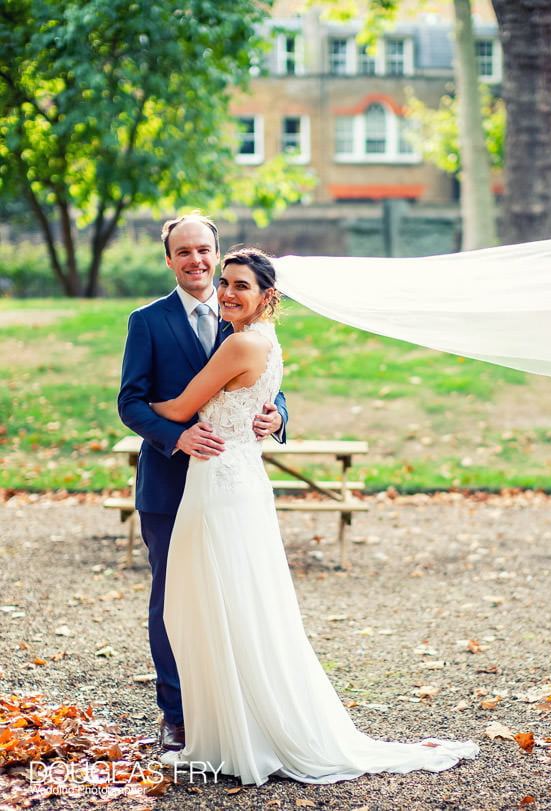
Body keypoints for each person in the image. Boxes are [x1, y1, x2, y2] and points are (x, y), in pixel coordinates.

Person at [151, 247, 478, 785]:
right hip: (237, 481)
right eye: (226, 283)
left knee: (220, 604)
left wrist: (148, 408)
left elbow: (183, 407)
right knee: (234, 604)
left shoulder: (240, 345)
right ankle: (232, 731)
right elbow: (254, 396)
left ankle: (245, 736)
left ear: (266, 296)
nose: (228, 292)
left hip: (220, 485)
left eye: (242, 286)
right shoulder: (266, 339)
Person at [117, 214, 288, 754]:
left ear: (216, 255)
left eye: (204, 250)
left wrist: (277, 418)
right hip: (170, 486)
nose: (196, 260)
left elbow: (269, 387)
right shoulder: (147, 321)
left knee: (234, 596)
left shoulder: (244, 314)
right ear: (169, 259)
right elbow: (130, 403)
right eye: (183, 251)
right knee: (174, 601)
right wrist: (176, 438)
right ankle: (178, 714)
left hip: (229, 488)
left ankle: (234, 709)